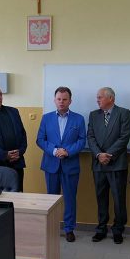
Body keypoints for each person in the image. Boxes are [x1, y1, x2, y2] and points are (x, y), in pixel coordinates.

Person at [36, 86, 86, 243]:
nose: (61, 102)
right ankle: (52, 227)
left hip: (70, 165)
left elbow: (82, 140)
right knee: (51, 198)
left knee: (70, 198)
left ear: (70, 101)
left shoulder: (79, 119)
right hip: (51, 164)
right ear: (54, 100)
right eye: (59, 99)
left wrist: (67, 151)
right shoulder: (46, 118)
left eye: (65, 99)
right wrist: (54, 151)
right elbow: (40, 139)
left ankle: (69, 229)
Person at [87, 87, 130, 244]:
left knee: (119, 199)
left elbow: (124, 137)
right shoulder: (94, 115)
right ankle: (101, 229)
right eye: (97, 97)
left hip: (116, 163)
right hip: (98, 164)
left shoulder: (123, 113)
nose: (97, 100)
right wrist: (99, 155)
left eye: (100, 97)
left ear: (110, 98)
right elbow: (90, 137)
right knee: (101, 198)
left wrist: (108, 155)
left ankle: (118, 230)